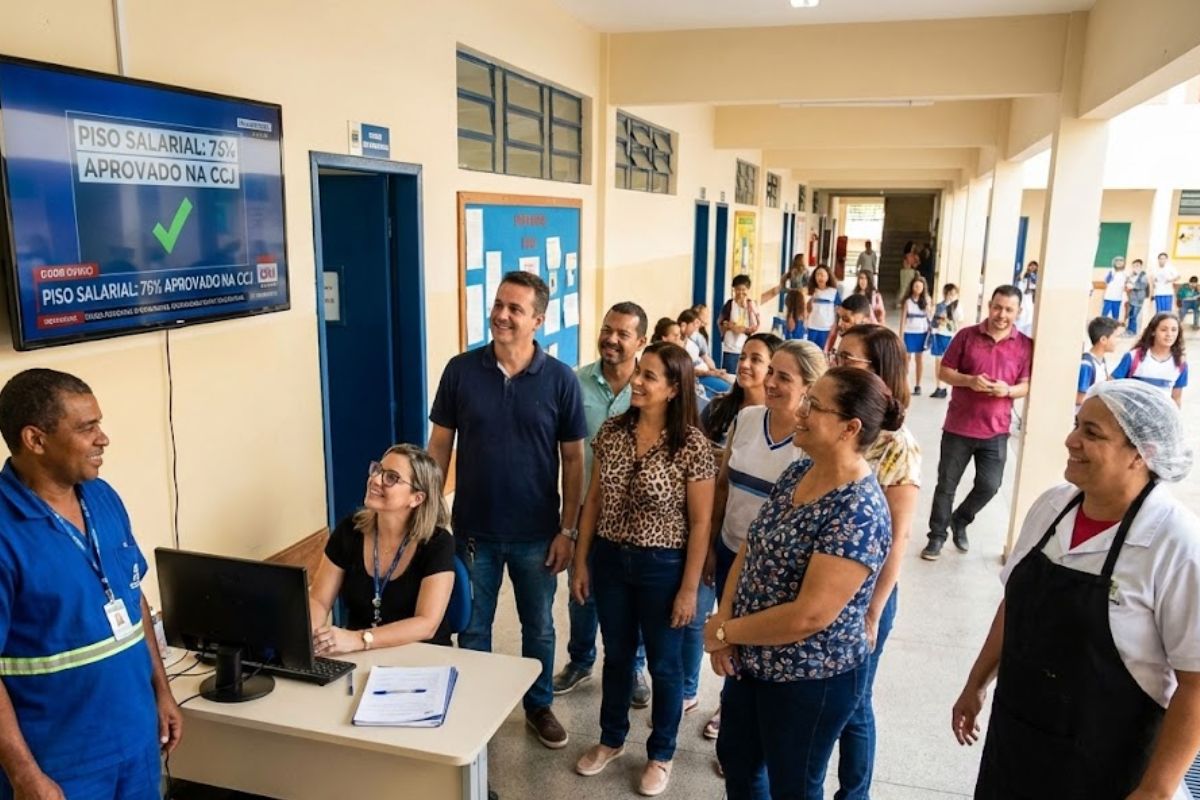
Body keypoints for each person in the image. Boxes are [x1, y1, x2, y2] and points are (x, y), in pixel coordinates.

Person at [951, 380, 1200, 800]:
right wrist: (977, 681)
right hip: (1017, 742)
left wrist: (1156, 789)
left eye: (1092, 433)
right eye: (1076, 425)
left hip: (1106, 766)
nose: (1071, 440)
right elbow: (1016, 603)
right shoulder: (1052, 506)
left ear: (1141, 454)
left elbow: (1195, 682)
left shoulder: (1176, 543)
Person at [704, 368, 900, 800]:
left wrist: (724, 632)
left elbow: (809, 616)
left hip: (810, 678)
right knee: (738, 760)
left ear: (850, 428)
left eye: (814, 406)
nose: (800, 412)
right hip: (751, 657)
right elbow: (752, 545)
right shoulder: (799, 472)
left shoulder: (859, 510)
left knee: (793, 785)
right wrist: (725, 621)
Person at [0, 369, 183, 799]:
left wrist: (162, 691)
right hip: (59, 765)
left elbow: (133, 597)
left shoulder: (102, 496)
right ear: (36, 440)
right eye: (86, 428)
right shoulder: (5, 532)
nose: (103, 439)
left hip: (136, 742)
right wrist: (25, 775)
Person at [427, 270, 586, 750]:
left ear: (538, 319)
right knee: (473, 627)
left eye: (515, 308)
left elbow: (574, 460)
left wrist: (568, 531)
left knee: (539, 627)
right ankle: (477, 708)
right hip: (473, 532)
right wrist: (430, 513)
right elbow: (439, 445)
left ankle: (538, 706)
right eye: (499, 304)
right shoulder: (461, 371)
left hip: (537, 535)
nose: (501, 315)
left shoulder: (560, 380)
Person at [571, 342, 716, 797]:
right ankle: (611, 739)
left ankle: (661, 754)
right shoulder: (612, 432)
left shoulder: (692, 444)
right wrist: (580, 561)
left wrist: (689, 589)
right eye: (640, 373)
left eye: (649, 376)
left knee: (665, 665)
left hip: (663, 567)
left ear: (673, 389)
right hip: (611, 560)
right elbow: (594, 499)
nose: (636, 382)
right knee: (616, 656)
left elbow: (701, 523)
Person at [699, 340, 827, 748]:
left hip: (776, 571)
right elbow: (723, 486)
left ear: (809, 388)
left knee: (760, 646)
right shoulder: (747, 418)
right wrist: (710, 545)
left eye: (783, 377)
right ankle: (731, 712)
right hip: (730, 550)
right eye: (771, 372)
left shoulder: (811, 442)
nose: (770, 382)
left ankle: (752, 729)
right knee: (729, 640)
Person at [830, 325, 922, 800]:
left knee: (854, 702)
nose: (836, 365)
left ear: (880, 371)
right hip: (825, 584)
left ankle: (854, 794)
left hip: (866, 594)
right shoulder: (836, 423)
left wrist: (872, 612)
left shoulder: (895, 444)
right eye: (836, 355)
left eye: (847, 359)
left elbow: (897, 539)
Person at [555, 303, 652, 707]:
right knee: (582, 590)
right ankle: (580, 660)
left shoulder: (649, 387)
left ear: (641, 341)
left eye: (622, 334)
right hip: (585, 510)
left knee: (634, 597)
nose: (611, 339)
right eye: (606, 330)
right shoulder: (575, 383)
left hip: (637, 520)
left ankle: (634, 667)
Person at [309, 444, 456, 653]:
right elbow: (319, 600)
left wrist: (360, 638)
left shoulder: (438, 543)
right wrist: (312, 636)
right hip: (360, 654)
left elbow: (426, 624)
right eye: (378, 470)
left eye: (391, 478)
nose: (375, 480)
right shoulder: (349, 530)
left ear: (416, 498)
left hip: (421, 654)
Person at [922, 285, 1032, 560]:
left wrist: (1007, 390)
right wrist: (969, 380)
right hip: (958, 427)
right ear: (989, 306)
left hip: (996, 430)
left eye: (1009, 309)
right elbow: (945, 372)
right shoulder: (966, 336)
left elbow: (1026, 385)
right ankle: (936, 537)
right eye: (998, 307)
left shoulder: (1024, 345)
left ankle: (960, 519)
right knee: (946, 486)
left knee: (990, 486)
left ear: (1018, 312)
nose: (1002, 314)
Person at [700, 333, 783, 447]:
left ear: (773, 369)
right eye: (742, 357)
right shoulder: (717, 407)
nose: (744, 364)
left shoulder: (777, 418)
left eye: (755, 359)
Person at [1112, 312, 1188, 407]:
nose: (1169, 334)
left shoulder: (1180, 363)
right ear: (1153, 331)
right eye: (1163, 330)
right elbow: (1111, 385)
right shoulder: (1133, 357)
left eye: (1174, 330)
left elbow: (1176, 398)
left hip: (1161, 415)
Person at [679, 309, 734, 398]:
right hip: (699, 377)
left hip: (706, 373)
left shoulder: (695, 338)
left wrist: (716, 371)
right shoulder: (679, 344)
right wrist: (711, 373)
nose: (696, 328)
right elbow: (688, 370)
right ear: (683, 325)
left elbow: (705, 357)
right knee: (729, 390)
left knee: (732, 385)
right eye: (694, 324)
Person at [1077, 316, 1120, 412]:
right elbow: (1080, 398)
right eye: (1115, 337)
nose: (1118, 341)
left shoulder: (1101, 361)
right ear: (1103, 340)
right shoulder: (1087, 364)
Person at [719, 275, 760, 374]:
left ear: (748, 289)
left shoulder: (751, 305)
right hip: (730, 347)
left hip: (744, 347)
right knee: (729, 375)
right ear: (734, 290)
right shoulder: (730, 304)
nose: (740, 292)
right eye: (738, 289)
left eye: (743, 289)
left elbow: (756, 325)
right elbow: (721, 322)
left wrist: (744, 330)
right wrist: (730, 326)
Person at [898, 275, 932, 396]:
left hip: (922, 332)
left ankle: (918, 385)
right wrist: (901, 335)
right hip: (909, 332)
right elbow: (903, 319)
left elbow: (930, 316)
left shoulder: (927, 300)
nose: (918, 288)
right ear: (912, 286)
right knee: (906, 358)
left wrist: (928, 307)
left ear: (923, 288)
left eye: (920, 286)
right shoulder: (907, 301)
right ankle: (904, 383)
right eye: (916, 286)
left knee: (919, 359)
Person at [929, 283, 962, 399]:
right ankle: (939, 387)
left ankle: (945, 388)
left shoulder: (957, 306)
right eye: (949, 293)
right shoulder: (939, 306)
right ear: (945, 293)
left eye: (953, 293)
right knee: (938, 362)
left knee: (947, 363)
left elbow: (959, 321)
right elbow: (933, 320)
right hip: (938, 334)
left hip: (949, 336)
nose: (951, 296)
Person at [805, 265, 840, 350]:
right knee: (810, 349)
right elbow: (806, 309)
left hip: (826, 327)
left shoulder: (833, 292)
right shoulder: (810, 291)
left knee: (822, 350)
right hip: (812, 325)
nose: (820, 277)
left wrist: (836, 324)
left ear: (828, 277)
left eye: (823, 275)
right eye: (818, 274)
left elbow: (838, 309)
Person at [1125, 258, 1151, 335]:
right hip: (1132, 299)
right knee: (1131, 315)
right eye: (1133, 266)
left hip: (1138, 299)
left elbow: (1143, 285)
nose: (1135, 267)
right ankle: (1129, 330)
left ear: (1141, 266)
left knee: (1134, 316)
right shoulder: (1132, 275)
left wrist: (1133, 286)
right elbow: (1127, 283)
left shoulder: (1143, 276)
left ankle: (1133, 331)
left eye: (1137, 266)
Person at [1102, 256, 1127, 320]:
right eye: (1117, 261)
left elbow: (1126, 285)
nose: (1119, 263)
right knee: (1104, 314)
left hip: (1117, 298)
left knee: (1115, 315)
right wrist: (1112, 274)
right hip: (1108, 297)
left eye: (1121, 261)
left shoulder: (1124, 274)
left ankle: (1114, 325)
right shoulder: (1111, 271)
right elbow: (1106, 281)